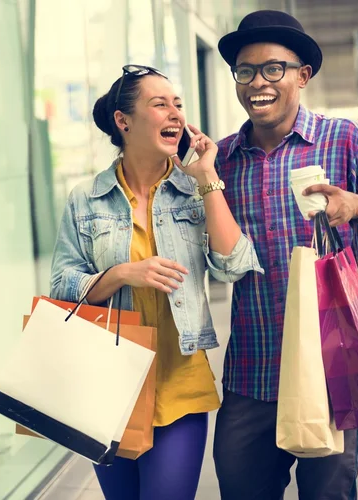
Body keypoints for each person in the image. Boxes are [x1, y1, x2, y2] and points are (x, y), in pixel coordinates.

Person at [213, 10, 358, 500]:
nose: (257, 82)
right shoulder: (220, 160)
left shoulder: (344, 139)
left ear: (303, 76)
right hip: (251, 374)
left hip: (331, 375)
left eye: (273, 69)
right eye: (245, 71)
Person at [50, 64, 262, 500]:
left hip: (179, 380)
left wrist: (207, 178)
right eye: (160, 104)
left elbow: (234, 266)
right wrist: (123, 274)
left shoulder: (195, 191)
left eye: (179, 105)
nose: (175, 115)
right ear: (123, 121)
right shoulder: (85, 200)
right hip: (108, 383)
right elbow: (62, 286)